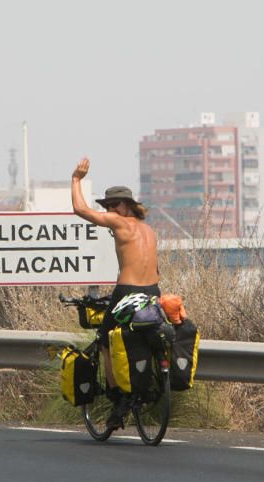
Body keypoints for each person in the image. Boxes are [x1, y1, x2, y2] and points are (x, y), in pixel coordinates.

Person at [71, 158, 160, 429]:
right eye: (108, 206)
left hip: (127, 292)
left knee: (105, 338)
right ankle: (151, 384)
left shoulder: (119, 223)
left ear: (127, 206)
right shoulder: (149, 230)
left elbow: (80, 209)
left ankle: (119, 398)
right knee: (146, 334)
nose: (110, 210)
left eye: (114, 205)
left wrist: (76, 179)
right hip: (153, 291)